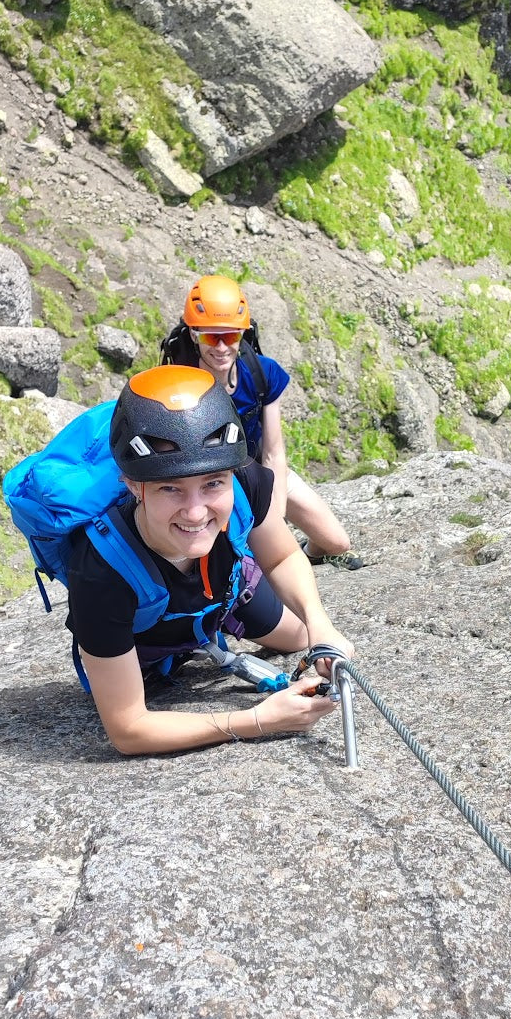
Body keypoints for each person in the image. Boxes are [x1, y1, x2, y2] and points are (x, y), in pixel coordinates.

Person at [66, 363, 353, 756]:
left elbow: (283, 556)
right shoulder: (101, 571)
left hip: (223, 590)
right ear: (133, 485)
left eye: (213, 484)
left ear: (231, 473)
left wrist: (321, 625)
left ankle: (218, 617)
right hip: (146, 635)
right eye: (170, 488)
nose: (197, 512)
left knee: (301, 637)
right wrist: (258, 721)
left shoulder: (245, 481)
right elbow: (129, 729)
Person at [165, 274, 363, 570]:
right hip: (211, 480)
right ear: (194, 334)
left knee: (336, 542)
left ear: (243, 335)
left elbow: (274, 453)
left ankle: (305, 553)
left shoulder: (263, 373)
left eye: (231, 336)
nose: (221, 347)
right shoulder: (180, 384)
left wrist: (275, 516)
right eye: (211, 336)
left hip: (259, 468)